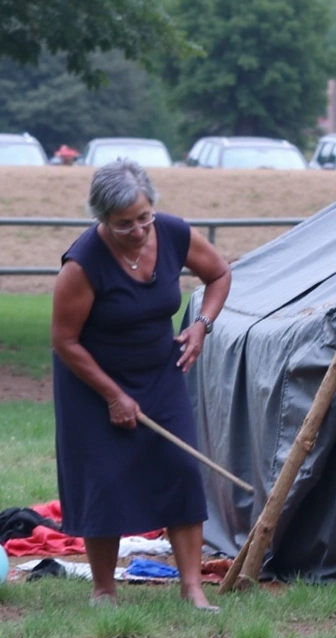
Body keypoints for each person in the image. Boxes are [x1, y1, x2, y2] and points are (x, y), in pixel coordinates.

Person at [51, 159, 232, 609]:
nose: (137, 230)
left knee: (181, 470)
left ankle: (192, 588)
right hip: (93, 381)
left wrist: (201, 325)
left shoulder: (172, 233)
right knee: (105, 478)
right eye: (124, 223)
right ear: (103, 219)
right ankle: (104, 590)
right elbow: (63, 340)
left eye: (143, 217)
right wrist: (113, 395)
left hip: (159, 372)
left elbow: (219, 274)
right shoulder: (83, 264)